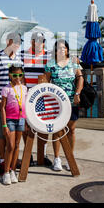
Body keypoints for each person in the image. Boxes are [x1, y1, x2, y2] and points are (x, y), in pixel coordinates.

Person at [44, 40, 84, 172]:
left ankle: (69, 157)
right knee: (57, 130)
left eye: (64, 48)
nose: (62, 50)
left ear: (67, 49)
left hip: (72, 101)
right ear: (55, 50)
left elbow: (80, 78)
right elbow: (46, 82)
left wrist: (77, 93)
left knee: (71, 129)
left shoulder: (74, 62)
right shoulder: (50, 64)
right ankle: (57, 159)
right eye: (59, 48)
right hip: (56, 103)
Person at [0, 33, 24, 180]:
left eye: (18, 42)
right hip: (1, 100)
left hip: (15, 103)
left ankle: (11, 165)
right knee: (1, 133)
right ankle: (3, 161)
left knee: (13, 137)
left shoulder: (19, 59)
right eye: (14, 42)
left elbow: (20, 79)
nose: (16, 44)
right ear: (8, 41)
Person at [22, 32, 53, 167]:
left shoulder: (49, 56)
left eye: (41, 40)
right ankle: (29, 155)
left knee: (43, 126)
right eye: (36, 40)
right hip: (26, 96)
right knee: (26, 127)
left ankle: (43, 154)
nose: (39, 42)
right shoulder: (23, 55)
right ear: (32, 41)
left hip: (42, 97)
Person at [1, 65, 28, 185]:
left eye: (20, 75)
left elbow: (26, 105)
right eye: (15, 75)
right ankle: (6, 172)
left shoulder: (24, 88)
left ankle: (13, 170)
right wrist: (4, 125)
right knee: (10, 146)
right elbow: (2, 108)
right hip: (10, 120)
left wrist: (26, 121)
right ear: (10, 75)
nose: (17, 78)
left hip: (21, 119)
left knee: (17, 145)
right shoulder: (6, 89)